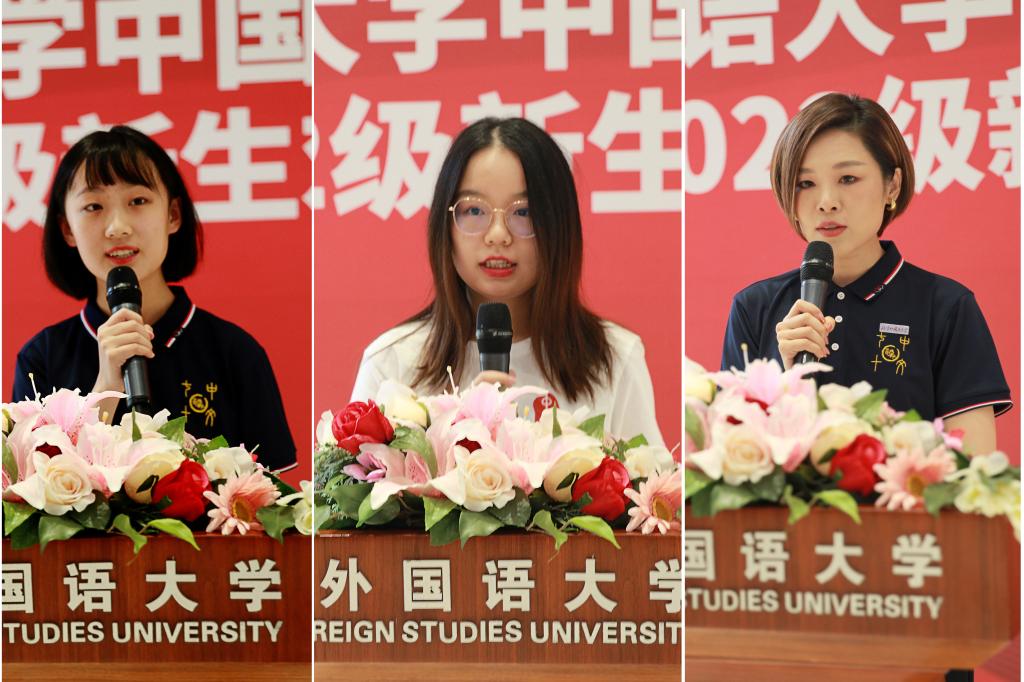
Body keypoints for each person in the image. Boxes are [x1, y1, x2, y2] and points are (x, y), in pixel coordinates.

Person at [722, 93, 1011, 455]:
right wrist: (787, 378)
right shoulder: (754, 308)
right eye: (805, 183)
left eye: (848, 178)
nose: (827, 201)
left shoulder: (946, 306)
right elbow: (730, 459)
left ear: (892, 185)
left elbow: (975, 467)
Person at [351, 117, 664, 446]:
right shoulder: (392, 364)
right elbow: (351, 479)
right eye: (474, 211)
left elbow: (649, 477)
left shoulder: (614, 359)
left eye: (523, 212)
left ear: (558, 224)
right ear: (445, 225)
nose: (498, 235)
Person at [12, 126, 296, 471]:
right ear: (67, 229)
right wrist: (106, 387)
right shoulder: (41, 359)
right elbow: (30, 484)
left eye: (138, 201)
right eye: (93, 206)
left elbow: (272, 492)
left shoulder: (235, 352)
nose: (117, 227)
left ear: (173, 215)